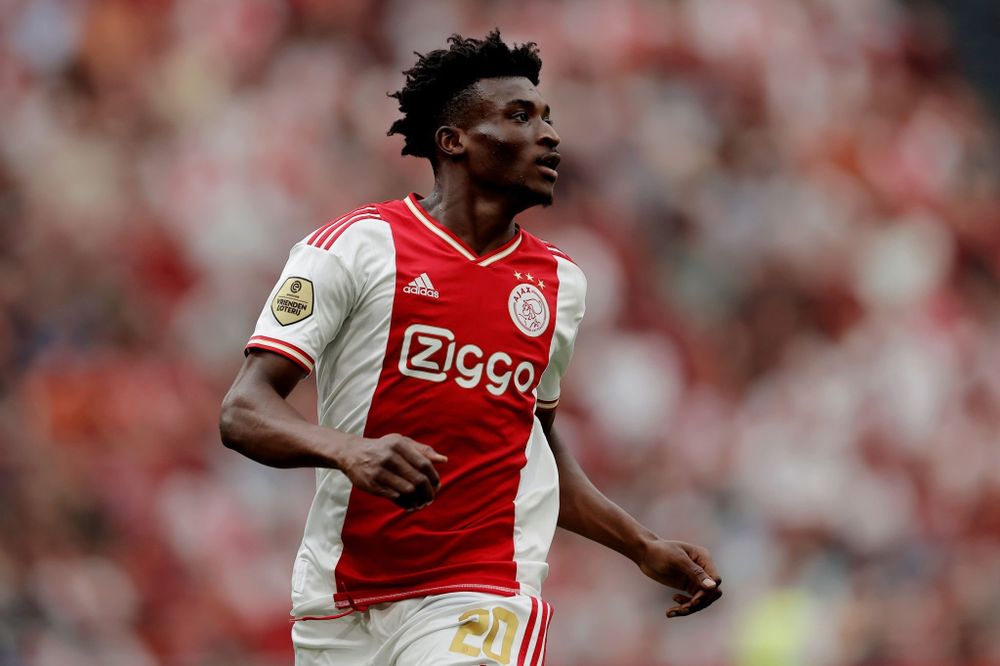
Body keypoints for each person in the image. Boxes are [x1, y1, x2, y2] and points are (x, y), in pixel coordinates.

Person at [219, 30, 722, 666]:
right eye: (520, 116)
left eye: (547, 117)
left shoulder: (560, 284)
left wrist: (641, 544)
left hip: (483, 588)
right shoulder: (355, 248)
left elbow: (531, 444)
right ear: (453, 140)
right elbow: (243, 411)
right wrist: (348, 450)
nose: (549, 135)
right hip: (340, 601)